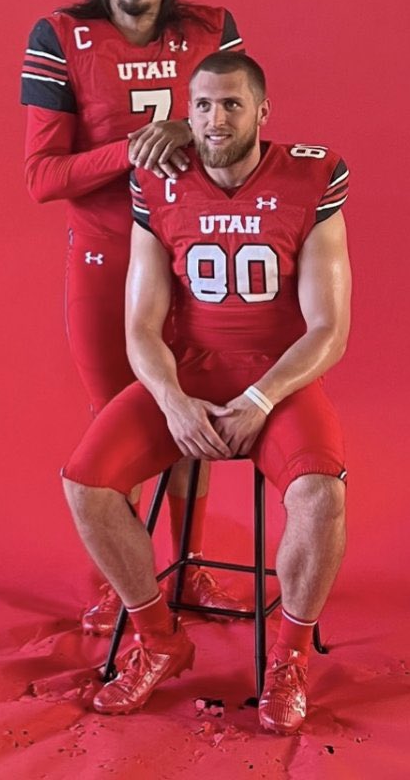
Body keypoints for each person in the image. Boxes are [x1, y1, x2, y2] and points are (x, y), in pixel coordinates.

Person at [62, 51, 351, 733]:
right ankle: (159, 637)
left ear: (261, 112)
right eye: (202, 106)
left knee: (320, 495)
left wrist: (258, 399)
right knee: (86, 483)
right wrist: (169, 399)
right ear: (184, 116)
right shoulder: (159, 183)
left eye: (230, 105)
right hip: (187, 371)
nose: (215, 119)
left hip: (276, 377)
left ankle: (288, 655)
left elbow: (328, 329)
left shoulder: (311, 174)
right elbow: (138, 323)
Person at [20, 0, 247, 635]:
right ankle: (122, 580)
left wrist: (195, 126)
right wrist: (135, 146)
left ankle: (192, 562)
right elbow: (43, 177)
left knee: (191, 418)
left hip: (187, 253)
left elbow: (241, 133)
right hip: (108, 256)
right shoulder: (62, 35)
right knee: (119, 423)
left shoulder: (209, 29)